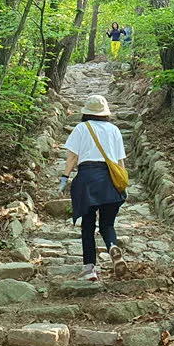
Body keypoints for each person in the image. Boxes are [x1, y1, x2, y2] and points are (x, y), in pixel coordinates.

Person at [58, 94, 127, 281]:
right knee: (108, 224)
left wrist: (64, 177)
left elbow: (72, 157)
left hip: (87, 179)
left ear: (86, 112)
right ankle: (112, 246)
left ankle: (89, 269)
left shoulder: (81, 128)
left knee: (87, 226)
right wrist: (122, 184)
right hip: (110, 180)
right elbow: (120, 161)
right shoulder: (114, 130)